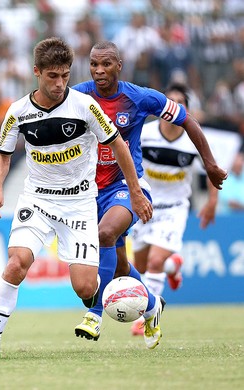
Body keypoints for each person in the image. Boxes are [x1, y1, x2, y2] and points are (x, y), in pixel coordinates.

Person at [0, 37, 152, 360]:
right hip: (36, 201)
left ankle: (146, 299)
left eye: (65, 75)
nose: (60, 83)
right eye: (53, 76)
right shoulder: (18, 112)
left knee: (84, 288)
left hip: (79, 204)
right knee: (16, 263)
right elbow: (2, 156)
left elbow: (120, 146)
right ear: (36, 72)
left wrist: (135, 192)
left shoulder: (84, 106)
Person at [71, 41, 227, 348]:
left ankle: (94, 314)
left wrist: (209, 164)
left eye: (106, 64)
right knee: (118, 267)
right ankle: (154, 307)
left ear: (120, 65)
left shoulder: (139, 97)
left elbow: (187, 120)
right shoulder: (78, 95)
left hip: (128, 188)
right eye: (93, 64)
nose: (99, 71)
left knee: (104, 234)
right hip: (89, 191)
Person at [129, 83, 220, 335]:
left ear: (186, 112)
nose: (174, 107)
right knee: (143, 266)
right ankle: (173, 267)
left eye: (180, 103)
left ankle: (146, 318)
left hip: (175, 208)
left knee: (156, 260)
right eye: (170, 102)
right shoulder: (144, 133)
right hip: (144, 207)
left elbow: (212, 169)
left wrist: (212, 202)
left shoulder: (194, 141)